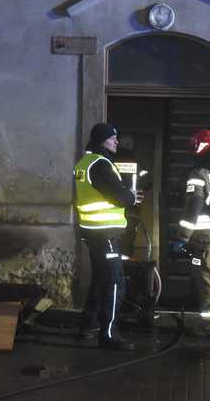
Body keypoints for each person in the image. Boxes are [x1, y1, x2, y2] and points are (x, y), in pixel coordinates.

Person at [74, 122, 143, 351]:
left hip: (92, 232)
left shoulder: (85, 162)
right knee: (115, 283)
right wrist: (131, 197)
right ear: (102, 140)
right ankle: (109, 334)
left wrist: (125, 195)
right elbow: (118, 197)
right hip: (105, 233)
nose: (116, 141)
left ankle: (88, 326)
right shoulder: (101, 164)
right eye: (113, 138)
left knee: (100, 279)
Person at [170, 128, 210, 337]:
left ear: (197, 148)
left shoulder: (198, 174)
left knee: (207, 279)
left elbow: (193, 210)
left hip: (205, 238)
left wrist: (182, 238)